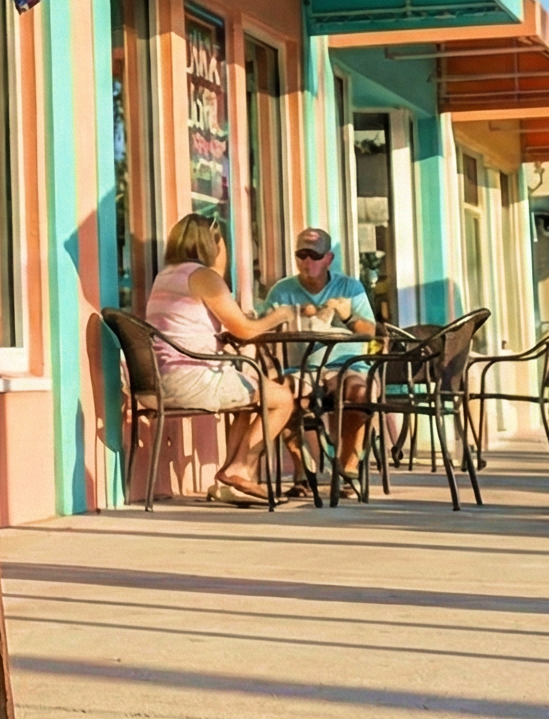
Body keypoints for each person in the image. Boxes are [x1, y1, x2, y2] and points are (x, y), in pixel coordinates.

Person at [144, 212, 299, 505]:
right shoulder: (203, 276)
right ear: (212, 244)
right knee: (282, 398)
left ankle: (230, 479)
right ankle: (239, 469)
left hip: (159, 378)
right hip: (191, 379)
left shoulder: (165, 276)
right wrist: (279, 315)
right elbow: (245, 330)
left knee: (250, 392)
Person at [266, 228, 379, 496]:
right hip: (302, 368)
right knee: (281, 392)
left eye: (314, 256)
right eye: (301, 255)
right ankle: (303, 471)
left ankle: (348, 466)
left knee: (359, 393)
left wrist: (348, 316)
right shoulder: (282, 291)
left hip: (346, 365)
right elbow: (264, 329)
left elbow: (371, 332)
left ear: (328, 258)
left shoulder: (350, 288)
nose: (307, 262)